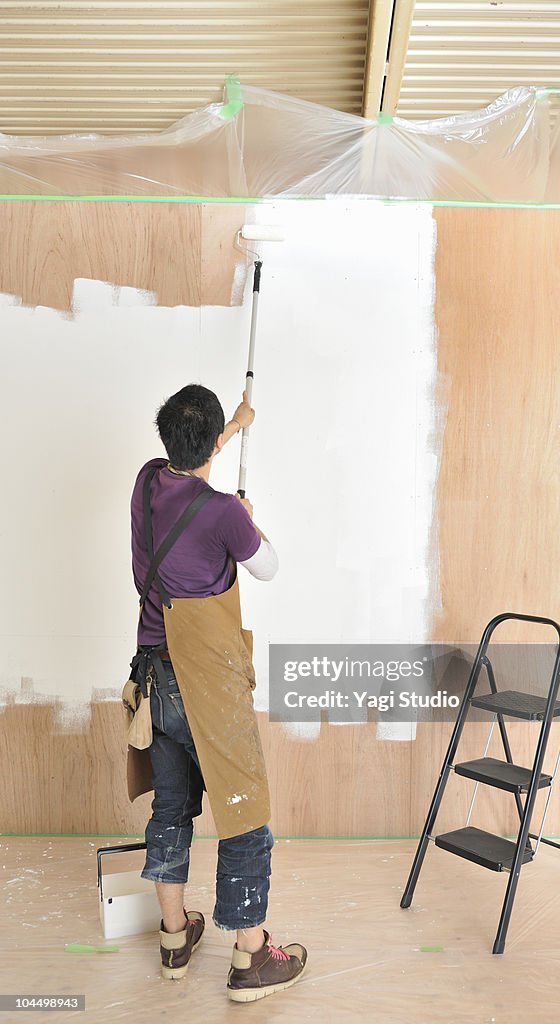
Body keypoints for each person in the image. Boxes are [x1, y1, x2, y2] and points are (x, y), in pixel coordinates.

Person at [128, 383, 307, 1003]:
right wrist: (249, 520)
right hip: (207, 685)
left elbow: (188, 458)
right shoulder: (226, 513)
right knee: (243, 814)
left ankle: (175, 938)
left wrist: (234, 424)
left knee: (172, 808)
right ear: (208, 445)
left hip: (156, 679)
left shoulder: (148, 481)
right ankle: (251, 958)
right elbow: (268, 566)